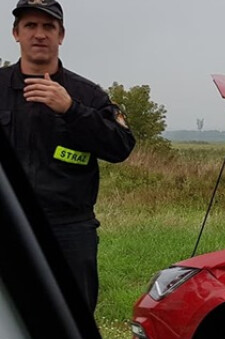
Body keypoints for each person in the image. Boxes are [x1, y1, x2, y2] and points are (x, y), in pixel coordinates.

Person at [1, 0, 135, 312]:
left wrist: (71, 110)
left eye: (48, 26)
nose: (39, 34)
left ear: (61, 35)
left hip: (70, 230)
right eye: (30, 26)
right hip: (7, 222)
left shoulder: (87, 95)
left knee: (72, 318)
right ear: (15, 33)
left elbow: (120, 147)